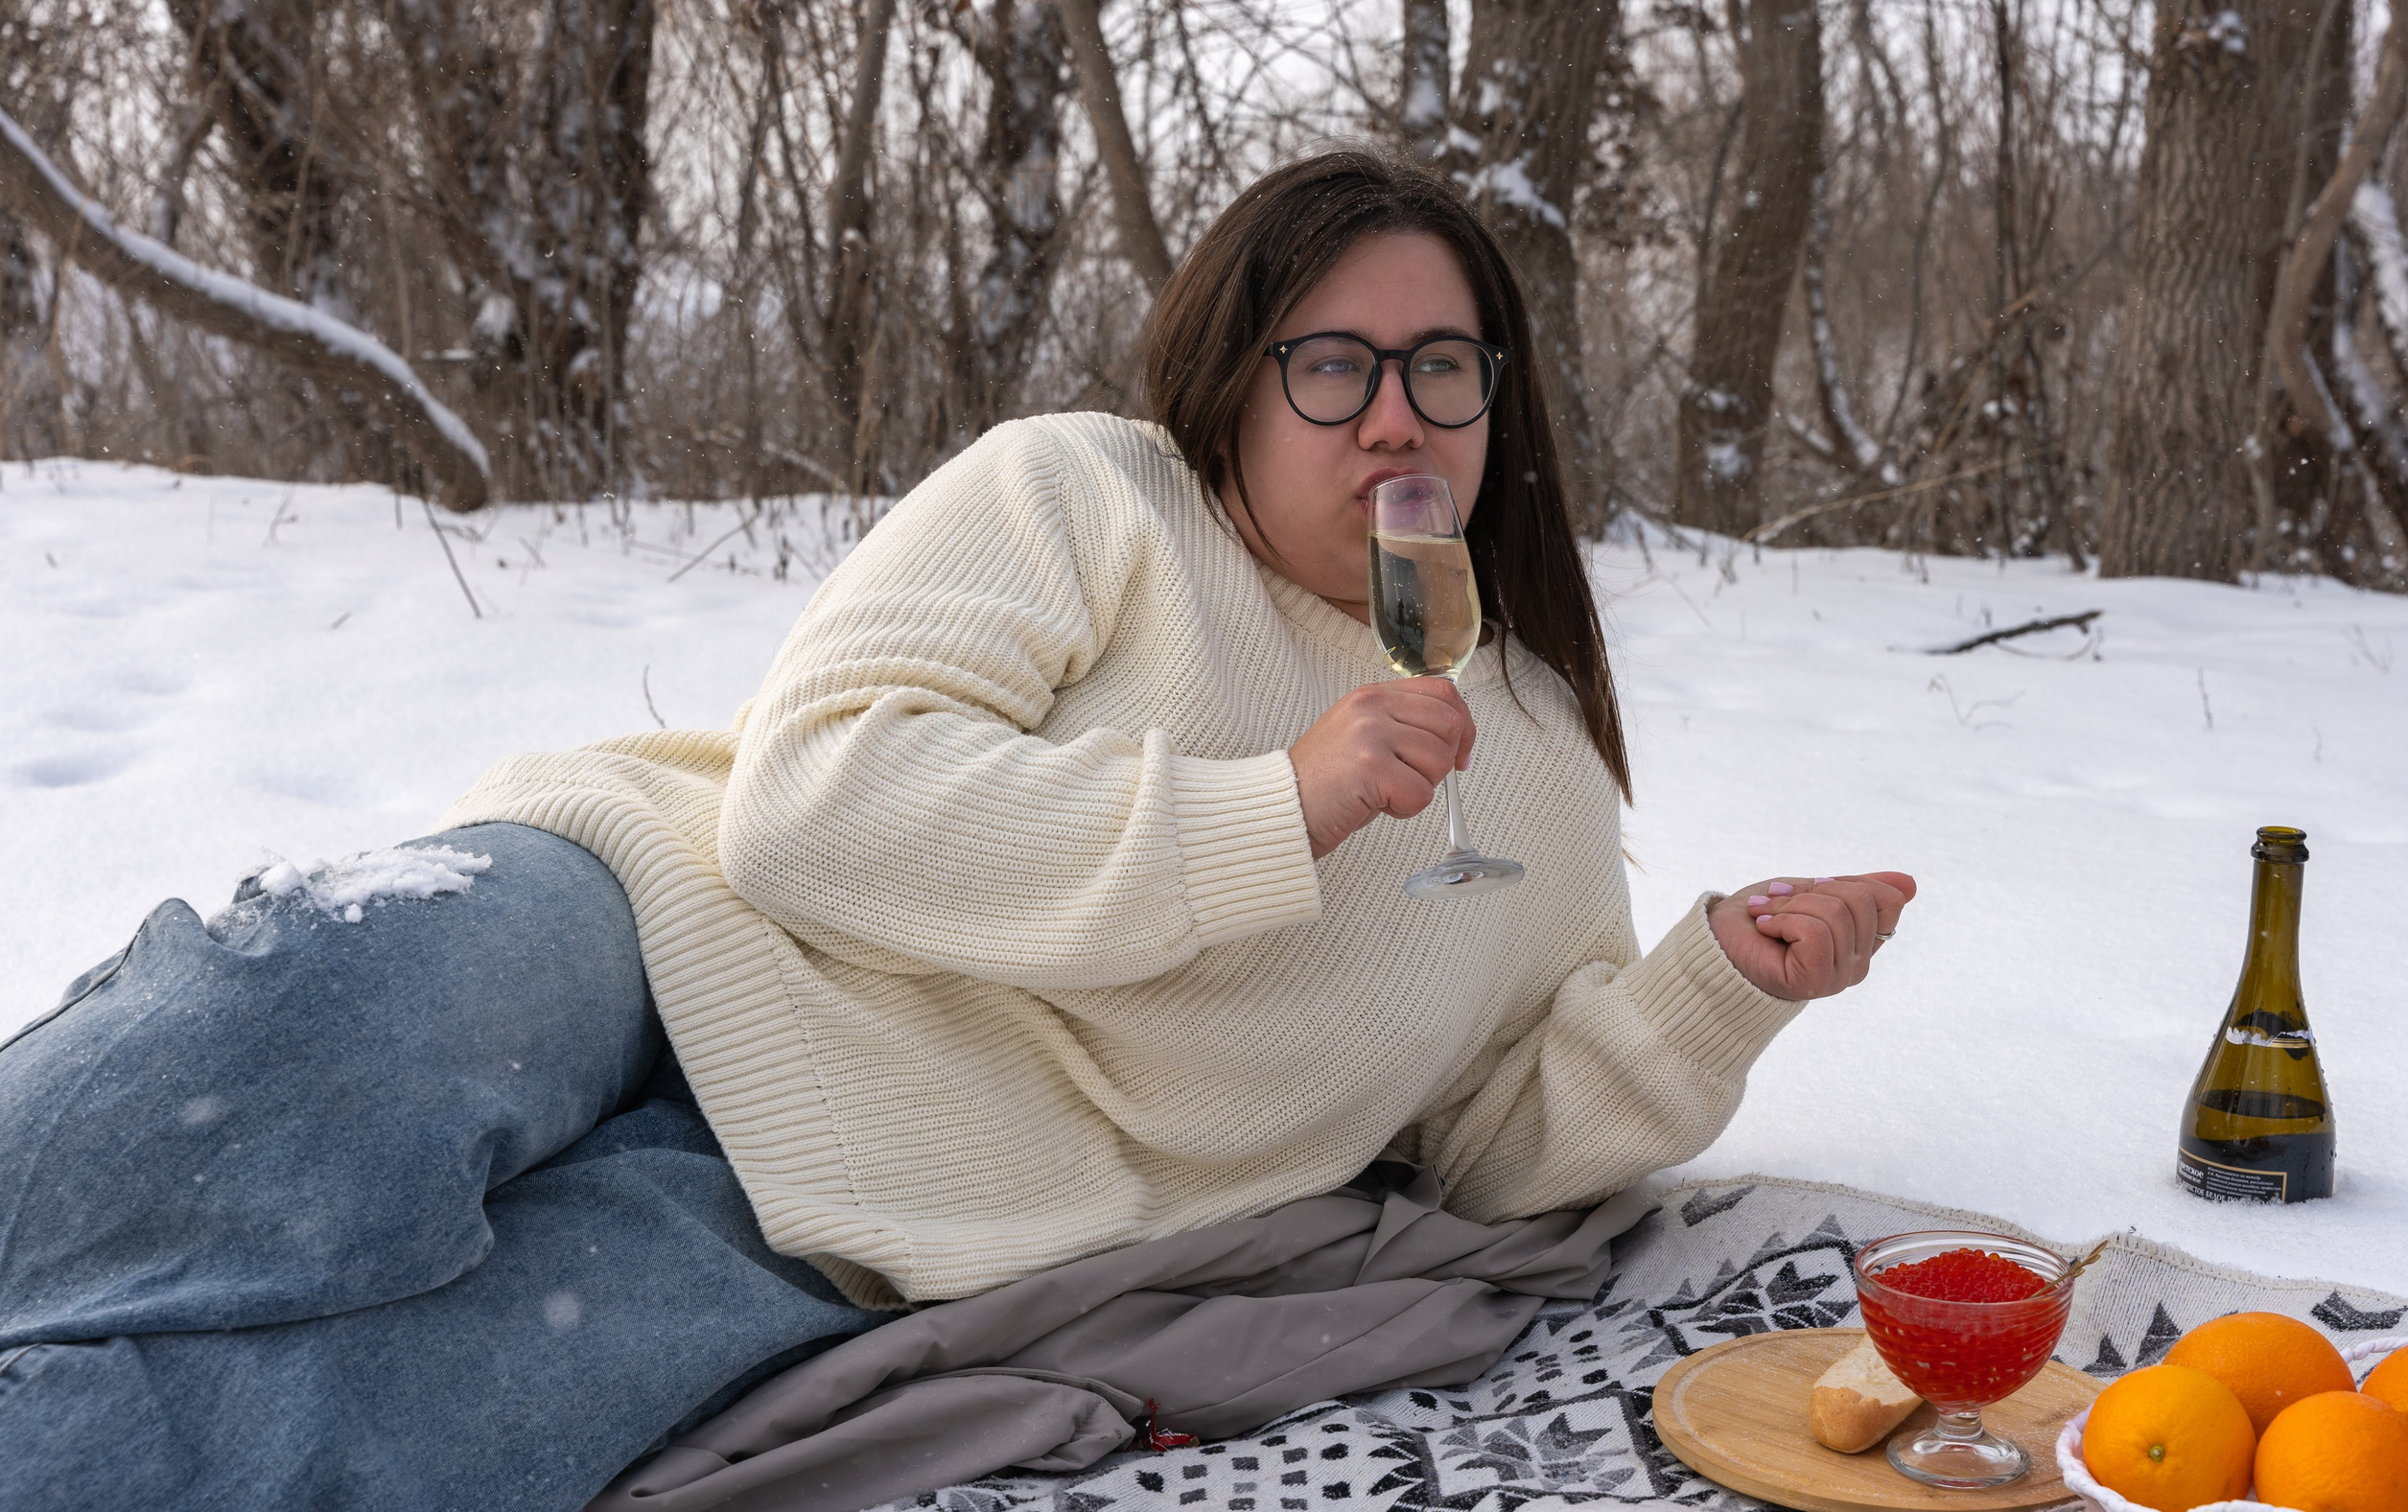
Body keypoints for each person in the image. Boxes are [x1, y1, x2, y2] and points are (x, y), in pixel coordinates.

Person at [0, 148, 1913, 1510]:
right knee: (288, 1020)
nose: (1389, 414)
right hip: (654, 925)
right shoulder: (1087, 496)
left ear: (1498, 406)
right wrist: (1273, 807)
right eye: (1329, 363)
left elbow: (1482, 1147)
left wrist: (1706, 999)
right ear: (1235, 384)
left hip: (900, 1193)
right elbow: (811, 808)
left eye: (1441, 364)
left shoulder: (1539, 768)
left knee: (357, 1423)